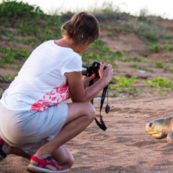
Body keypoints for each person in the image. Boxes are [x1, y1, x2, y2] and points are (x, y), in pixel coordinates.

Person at [0, 12, 113, 173]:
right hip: (24, 121)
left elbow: (52, 88)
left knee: (66, 161)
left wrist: (88, 80)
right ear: (87, 40)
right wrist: (104, 80)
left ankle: (5, 146)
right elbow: (80, 100)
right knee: (88, 112)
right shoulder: (72, 57)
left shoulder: (46, 45)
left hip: (5, 117)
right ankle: (41, 155)